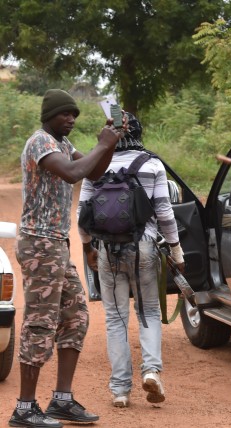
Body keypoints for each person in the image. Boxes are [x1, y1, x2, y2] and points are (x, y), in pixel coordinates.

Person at [10, 89, 123, 428]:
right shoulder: (41, 142)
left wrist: (112, 140)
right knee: (40, 323)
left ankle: (61, 400)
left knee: (75, 316)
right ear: (49, 116)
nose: (71, 119)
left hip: (57, 244)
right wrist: (103, 144)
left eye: (74, 114)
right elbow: (73, 174)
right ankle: (24, 408)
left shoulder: (62, 144)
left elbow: (94, 173)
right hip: (39, 245)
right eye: (65, 114)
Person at [78, 112, 185, 408]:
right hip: (145, 247)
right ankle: (151, 371)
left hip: (108, 249)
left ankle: (120, 390)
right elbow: (165, 213)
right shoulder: (152, 164)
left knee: (116, 319)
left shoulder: (95, 166)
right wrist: (176, 251)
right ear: (139, 132)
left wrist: (89, 248)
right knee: (149, 310)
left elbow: (82, 216)